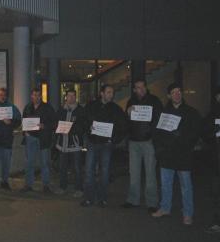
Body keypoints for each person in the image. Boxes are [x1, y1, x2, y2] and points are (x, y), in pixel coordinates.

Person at [152, 83, 201, 225]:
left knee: (186, 186)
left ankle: (187, 213)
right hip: (166, 154)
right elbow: (156, 133)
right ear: (168, 96)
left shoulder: (191, 112)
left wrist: (182, 137)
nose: (177, 94)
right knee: (165, 184)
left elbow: (195, 132)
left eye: (179, 91)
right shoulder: (162, 113)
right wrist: (159, 150)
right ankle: (165, 208)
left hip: (183, 154)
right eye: (173, 92)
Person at [80, 85, 127, 207]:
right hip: (92, 142)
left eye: (112, 92)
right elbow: (83, 120)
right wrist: (88, 128)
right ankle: (88, 198)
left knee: (105, 172)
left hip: (106, 144)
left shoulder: (116, 109)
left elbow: (123, 126)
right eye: (108, 92)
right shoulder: (91, 106)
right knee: (89, 171)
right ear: (102, 93)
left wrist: (114, 140)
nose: (111, 95)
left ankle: (102, 198)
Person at [122, 79, 162, 213]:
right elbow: (126, 122)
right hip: (134, 141)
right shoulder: (131, 102)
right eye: (138, 87)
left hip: (148, 141)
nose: (141, 89)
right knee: (134, 172)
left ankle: (152, 202)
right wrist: (127, 113)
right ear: (134, 89)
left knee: (150, 173)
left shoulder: (155, 101)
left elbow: (159, 119)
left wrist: (153, 135)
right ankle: (133, 200)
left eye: (143, 86)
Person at [21, 88, 56, 193]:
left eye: (38, 95)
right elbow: (24, 120)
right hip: (30, 137)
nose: (36, 97)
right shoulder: (28, 107)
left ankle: (46, 185)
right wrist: (25, 132)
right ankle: (28, 185)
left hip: (43, 138)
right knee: (29, 162)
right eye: (34, 95)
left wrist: (44, 125)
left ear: (41, 96)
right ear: (31, 96)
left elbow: (54, 122)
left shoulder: (48, 108)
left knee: (44, 163)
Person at [55, 89, 86, 198]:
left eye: (73, 96)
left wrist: (70, 129)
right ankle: (62, 186)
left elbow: (83, 126)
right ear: (66, 97)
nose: (71, 98)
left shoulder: (80, 110)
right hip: (62, 144)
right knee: (62, 167)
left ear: (75, 97)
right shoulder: (61, 110)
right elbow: (56, 123)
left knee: (77, 168)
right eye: (69, 96)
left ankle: (79, 188)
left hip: (75, 144)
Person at [202, 88, 220, 233]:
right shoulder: (212, 114)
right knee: (217, 193)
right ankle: (217, 221)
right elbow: (205, 133)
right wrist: (213, 131)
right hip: (216, 161)